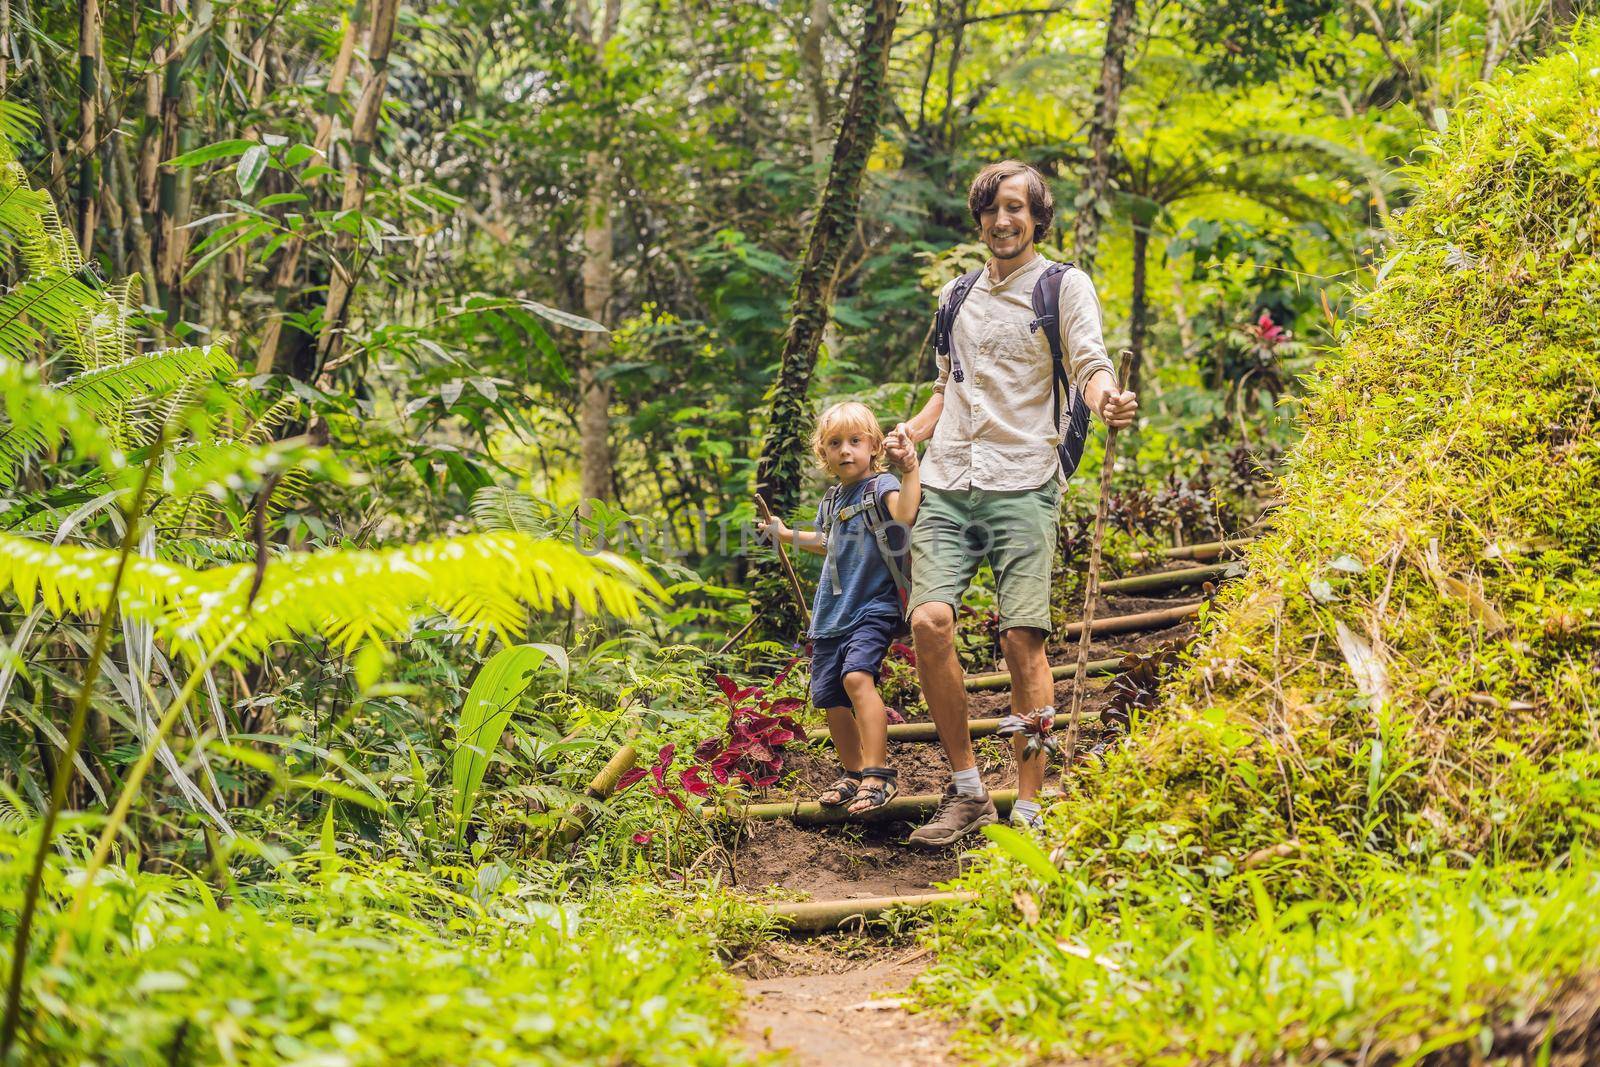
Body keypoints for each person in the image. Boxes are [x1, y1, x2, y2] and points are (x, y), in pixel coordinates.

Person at [884, 159, 1138, 844]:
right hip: (948, 479)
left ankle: (1029, 803)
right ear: (979, 218)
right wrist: (910, 431)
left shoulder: (1063, 285)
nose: (1004, 220)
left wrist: (1106, 399)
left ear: (1036, 217)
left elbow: (1089, 363)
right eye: (993, 208)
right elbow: (949, 387)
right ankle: (968, 790)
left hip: (1025, 476)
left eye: (1017, 208)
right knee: (930, 623)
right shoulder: (957, 295)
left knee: (1022, 637)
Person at [756, 401, 921, 816]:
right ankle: (852, 772)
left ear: (873, 446)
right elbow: (827, 542)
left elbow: (904, 516)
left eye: (854, 441)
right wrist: (785, 533)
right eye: (834, 443)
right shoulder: (832, 500)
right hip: (830, 614)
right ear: (823, 453)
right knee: (830, 694)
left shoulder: (880, 485)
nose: (845, 450)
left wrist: (911, 470)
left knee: (856, 678)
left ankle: (878, 773)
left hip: (874, 605)